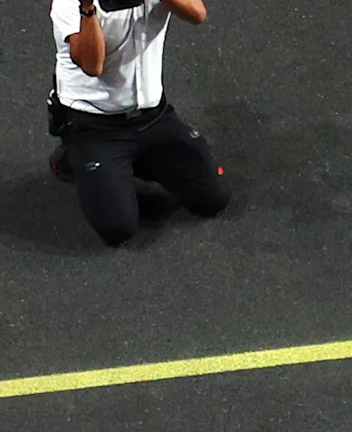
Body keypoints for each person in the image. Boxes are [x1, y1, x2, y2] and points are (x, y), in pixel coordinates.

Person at [47, 0, 227, 248]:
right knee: (117, 228)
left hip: (152, 117)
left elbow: (197, 14)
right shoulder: (71, 3)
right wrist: (88, 9)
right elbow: (92, 65)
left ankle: (136, 161)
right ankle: (72, 154)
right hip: (95, 125)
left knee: (213, 199)